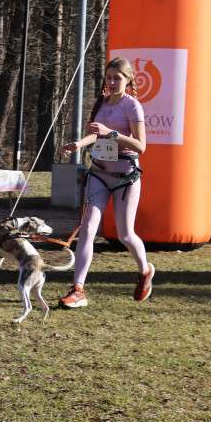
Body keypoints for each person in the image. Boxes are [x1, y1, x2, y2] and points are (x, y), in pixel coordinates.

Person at [58, 57, 154, 308]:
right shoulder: (98, 101)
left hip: (125, 176)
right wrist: (78, 144)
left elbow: (140, 146)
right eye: (108, 77)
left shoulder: (132, 106)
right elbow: (95, 134)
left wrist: (111, 133)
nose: (111, 82)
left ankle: (145, 271)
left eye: (117, 78)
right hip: (99, 173)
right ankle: (78, 289)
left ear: (128, 80)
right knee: (88, 229)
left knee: (125, 234)